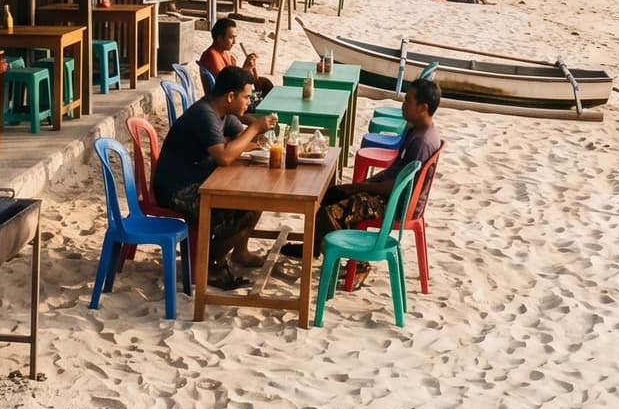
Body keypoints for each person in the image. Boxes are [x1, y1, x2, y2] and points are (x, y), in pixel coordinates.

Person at [151, 65, 278, 288]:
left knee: (255, 199)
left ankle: (240, 253)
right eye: (246, 97)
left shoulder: (223, 113)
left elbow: (241, 141)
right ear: (230, 96)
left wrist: (244, 140)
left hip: (199, 179)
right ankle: (209, 263)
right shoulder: (205, 114)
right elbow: (225, 157)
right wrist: (255, 128)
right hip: (177, 189)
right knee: (243, 211)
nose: (249, 102)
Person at [307, 78, 442, 254]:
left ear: (423, 108)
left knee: (332, 212)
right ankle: (311, 249)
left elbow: (400, 187)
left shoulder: (422, 143)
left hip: (395, 203)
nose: (403, 104)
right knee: (331, 193)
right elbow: (395, 172)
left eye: (408, 100)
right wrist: (361, 185)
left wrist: (362, 187)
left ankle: (356, 263)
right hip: (390, 194)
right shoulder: (415, 129)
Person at [200, 15, 273, 96]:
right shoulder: (211, 55)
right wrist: (244, 69)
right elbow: (227, 86)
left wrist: (249, 70)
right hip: (222, 101)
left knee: (266, 85)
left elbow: (232, 79)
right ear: (220, 38)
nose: (234, 42)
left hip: (229, 96)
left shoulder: (225, 53)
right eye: (231, 37)